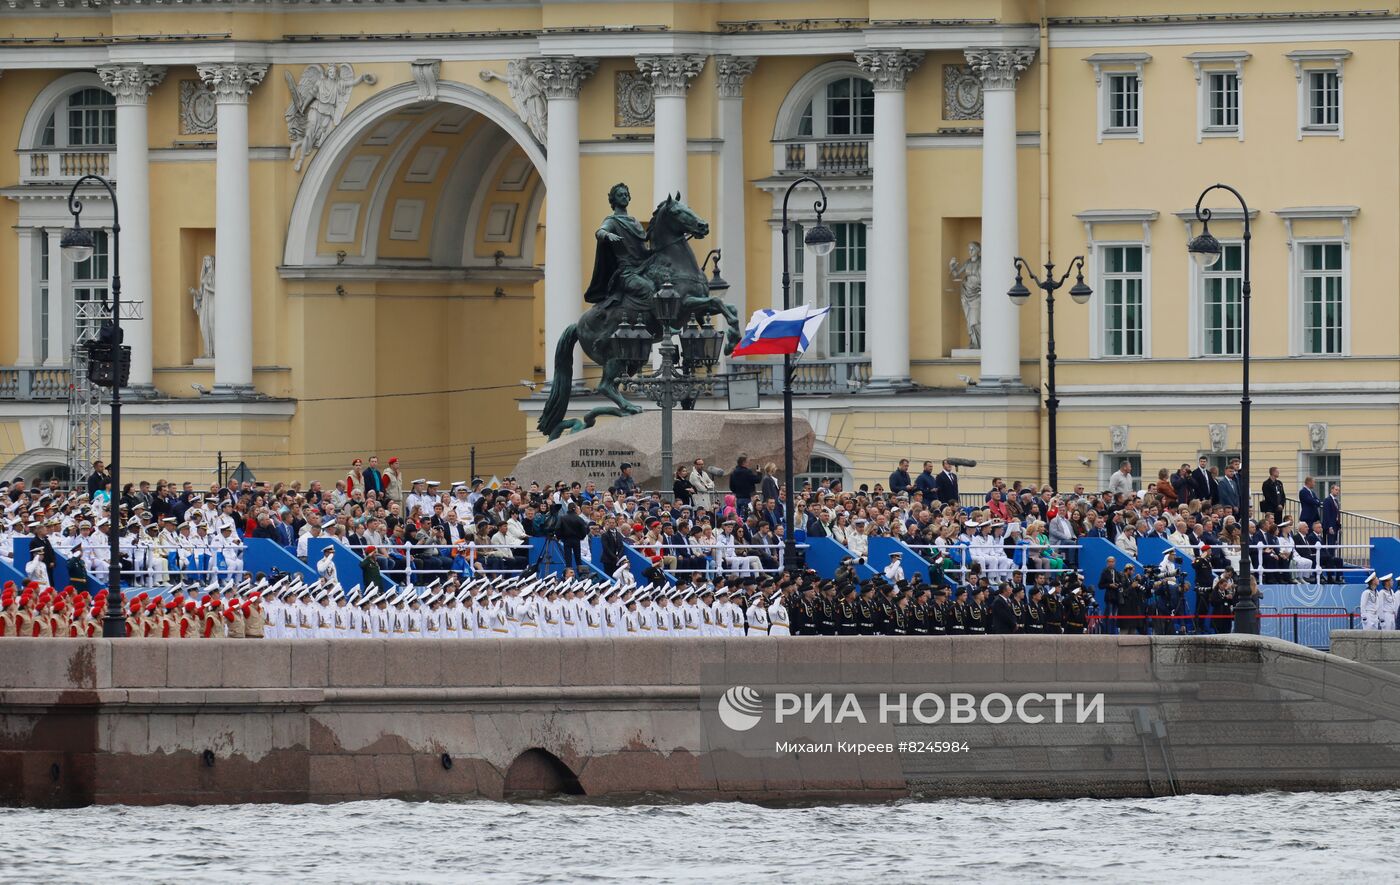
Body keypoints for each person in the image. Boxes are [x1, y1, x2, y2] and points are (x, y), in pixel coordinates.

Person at [728, 455, 761, 519]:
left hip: (739, 498)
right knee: (747, 517)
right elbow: (757, 480)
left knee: (739, 518)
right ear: (744, 462)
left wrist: (737, 492)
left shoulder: (733, 472)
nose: (748, 464)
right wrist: (759, 473)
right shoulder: (747, 472)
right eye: (747, 462)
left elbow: (731, 486)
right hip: (747, 498)